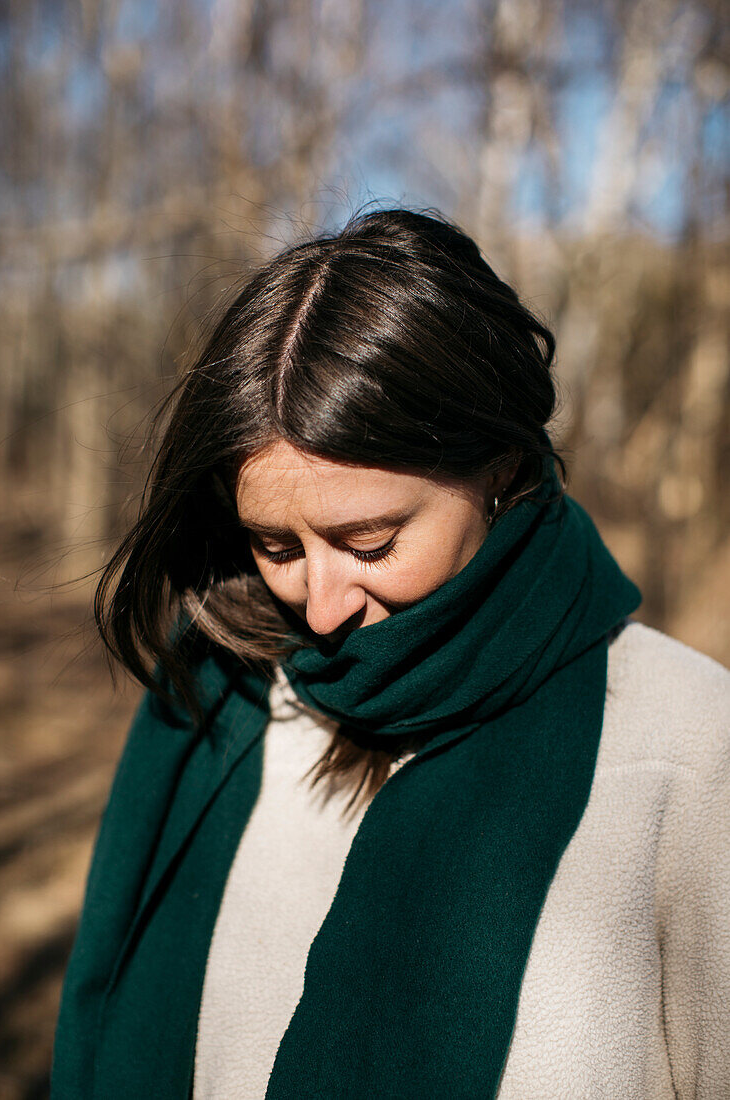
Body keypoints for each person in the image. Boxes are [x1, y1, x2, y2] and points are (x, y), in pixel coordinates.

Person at [51, 207, 729, 1099]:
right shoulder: (221, 697)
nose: (321, 607)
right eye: (278, 548)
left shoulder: (689, 749)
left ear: (500, 471)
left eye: (369, 543)